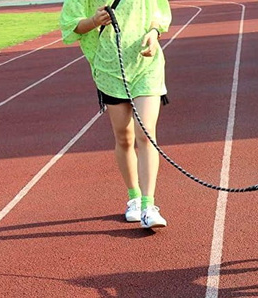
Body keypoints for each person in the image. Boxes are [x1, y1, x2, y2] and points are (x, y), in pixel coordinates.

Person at [60, 0, 172, 228]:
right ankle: (134, 197)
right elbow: (70, 24)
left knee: (146, 133)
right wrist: (93, 21)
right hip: (110, 68)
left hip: (146, 65)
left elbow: (160, 13)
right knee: (124, 137)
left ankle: (148, 206)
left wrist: (153, 32)